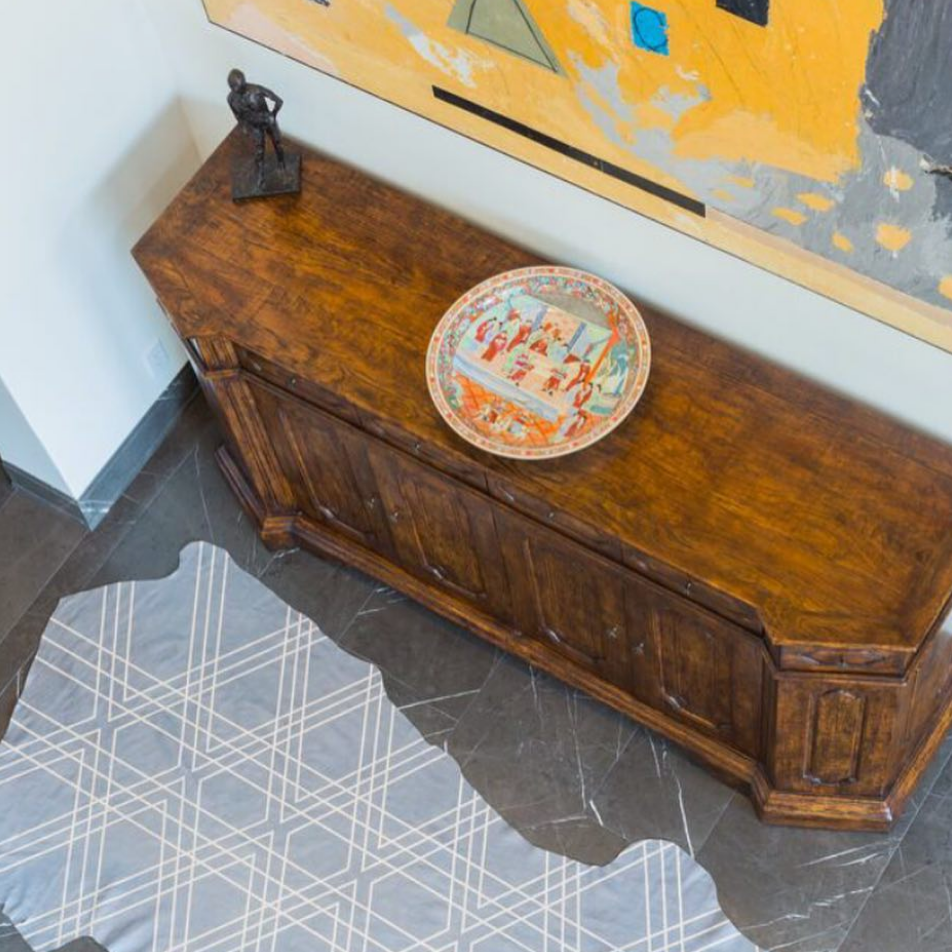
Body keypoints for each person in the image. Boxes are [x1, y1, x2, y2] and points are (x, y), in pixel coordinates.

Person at [227, 69, 287, 189]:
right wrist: (243, 126)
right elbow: (237, 115)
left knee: (277, 143)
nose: (238, 90)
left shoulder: (257, 90)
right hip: (253, 126)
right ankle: (260, 176)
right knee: (259, 152)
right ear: (231, 87)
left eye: (241, 86)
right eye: (235, 87)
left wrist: (272, 115)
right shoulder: (231, 99)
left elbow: (279, 101)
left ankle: (281, 163)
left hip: (267, 121)